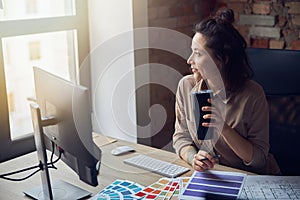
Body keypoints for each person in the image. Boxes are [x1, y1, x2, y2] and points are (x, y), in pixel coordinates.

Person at [172, 8, 280, 175]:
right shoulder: (186, 86)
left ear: (222, 60)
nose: (189, 60)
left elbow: (259, 160)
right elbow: (181, 138)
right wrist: (194, 158)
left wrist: (223, 127)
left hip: (252, 180)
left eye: (198, 53)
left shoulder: (253, 95)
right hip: (213, 177)